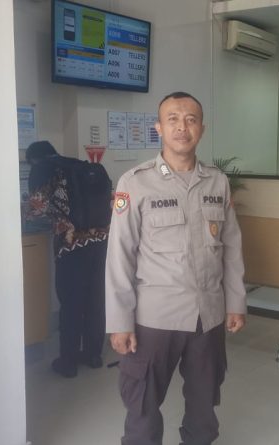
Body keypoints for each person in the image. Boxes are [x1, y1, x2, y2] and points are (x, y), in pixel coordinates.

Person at [106, 92, 247, 445]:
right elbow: (119, 255)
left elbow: (231, 247)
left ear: (202, 128)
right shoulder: (135, 182)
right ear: (159, 128)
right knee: (142, 406)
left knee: (204, 405)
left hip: (207, 317)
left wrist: (235, 302)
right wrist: (120, 321)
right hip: (155, 319)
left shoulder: (217, 181)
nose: (182, 127)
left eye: (190, 119)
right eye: (173, 119)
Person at [26, 140, 111, 378]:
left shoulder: (43, 168)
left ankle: (68, 361)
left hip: (71, 246)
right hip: (100, 242)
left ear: (34, 159)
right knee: (95, 300)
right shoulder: (79, 165)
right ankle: (93, 355)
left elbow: (36, 208)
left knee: (71, 303)